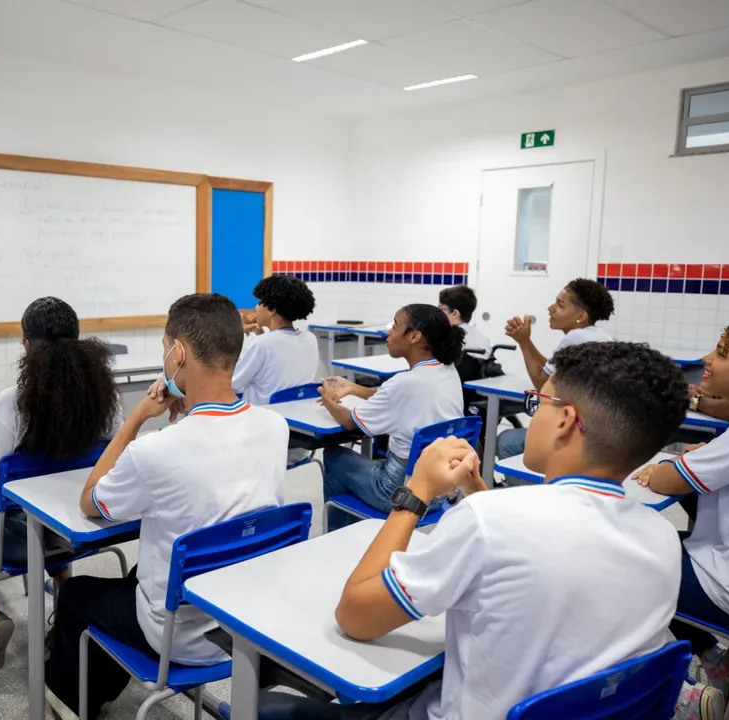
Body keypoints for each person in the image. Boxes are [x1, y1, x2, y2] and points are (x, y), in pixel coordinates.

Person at [262, 342, 698, 720]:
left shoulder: (493, 523)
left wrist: (415, 492)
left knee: (264, 709)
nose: (533, 410)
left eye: (537, 402)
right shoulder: (659, 533)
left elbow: (355, 616)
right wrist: (478, 494)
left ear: (565, 420)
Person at [43, 293, 290, 720]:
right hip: (245, 619)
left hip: (180, 635)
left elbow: (90, 501)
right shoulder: (275, 425)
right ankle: (100, 679)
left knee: (78, 594)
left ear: (177, 353)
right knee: (130, 581)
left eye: (164, 348)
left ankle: (69, 699)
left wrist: (136, 419)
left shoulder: (156, 450)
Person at [0, 297, 121, 683]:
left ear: (28, 346)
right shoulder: (104, 399)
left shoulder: (11, 403)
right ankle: (65, 604)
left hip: (16, 537)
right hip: (77, 529)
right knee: (46, 509)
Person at [633, 318, 729, 720]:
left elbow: (669, 481)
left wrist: (666, 469)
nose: (708, 359)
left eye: (722, 354)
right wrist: (707, 454)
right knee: (653, 542)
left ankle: (676, 696)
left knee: (615, 566)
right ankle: (716, 659)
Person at [318, 304, 464, 531]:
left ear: (415, 337)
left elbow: (349, 421)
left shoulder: (405, 383)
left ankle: (340, 535)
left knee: (335, 455)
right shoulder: (448, 371)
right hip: (441, 486)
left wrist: (327, 398)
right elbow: (393, 397)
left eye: (395, 326)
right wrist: (354, 388)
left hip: (400, 491)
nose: (388, 332)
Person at [496, 278, 614, 460]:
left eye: (560, 305)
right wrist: (526, 341)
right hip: (598, 432)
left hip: (578, 435)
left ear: (581, 316)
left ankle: (537, 488)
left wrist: (523, 343)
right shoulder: (600, 336)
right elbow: (551, 370)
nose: (551, 308)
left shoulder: (575, 339)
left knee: (506, 441)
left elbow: (542, 384)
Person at [231, 274, 319, 405]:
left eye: (260, 302)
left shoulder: (262, 345)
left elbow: (232, 383)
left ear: (272, 310)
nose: (256, 307)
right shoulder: (310, 339)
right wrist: (261, 336)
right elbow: (279, 358)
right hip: (296, 413)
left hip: (262, 416)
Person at [438, 285, 491, 358]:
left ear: (454, 313)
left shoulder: (449, 339)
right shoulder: (483, 339)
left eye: (441, 309)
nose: (438, 313)